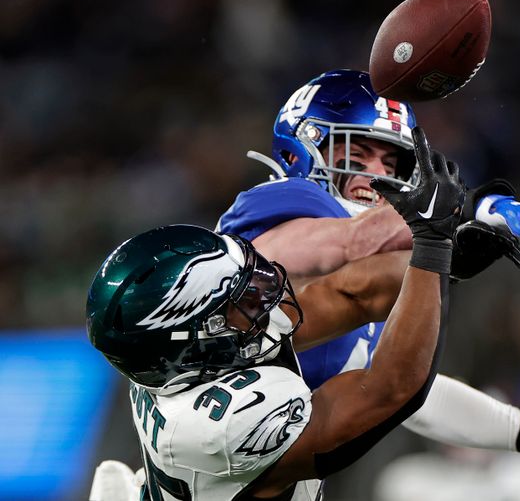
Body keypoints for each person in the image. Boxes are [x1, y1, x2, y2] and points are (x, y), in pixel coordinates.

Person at [215, 69, 520, 484]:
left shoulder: (363, 256)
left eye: (391, 162)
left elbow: (409, 393)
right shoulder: (275, 205)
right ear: (304, 147)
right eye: (357, 153)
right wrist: (473, 207)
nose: (377, 176)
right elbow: (347, 241)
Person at [87, 130, 464, 500]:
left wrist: (443, 259)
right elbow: (391, 389)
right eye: (235, 301)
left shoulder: (169, 357)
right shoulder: (222, 425)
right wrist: (432, 247)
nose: (260, 293)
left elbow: (351, 293)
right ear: (192, 340)